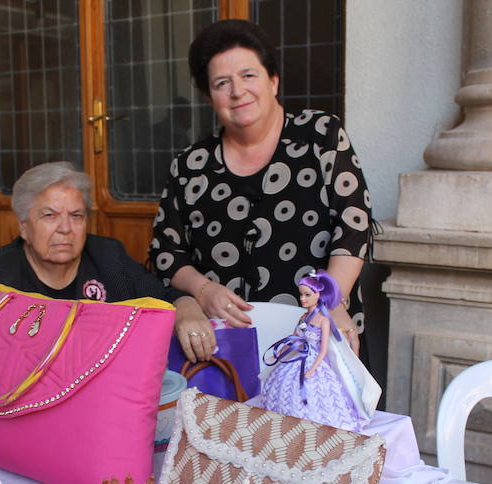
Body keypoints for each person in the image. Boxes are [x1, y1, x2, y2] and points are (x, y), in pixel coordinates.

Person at [149, 19, 374, 364]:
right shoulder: (191, 165)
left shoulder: (320, 136)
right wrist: (202, 290)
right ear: (210, 97)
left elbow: (353, 227)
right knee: (236, 420)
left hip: (315, 336)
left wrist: (329, 303)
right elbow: (166, 254)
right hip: (226, 348)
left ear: (273, 80)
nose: (237, 91)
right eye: (222, 83)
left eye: (248, 75)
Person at [0, 162, 208, 360]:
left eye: (76, 215)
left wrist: (186, 307)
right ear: (24, 227)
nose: (65, 228)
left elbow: (161, 296)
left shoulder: (108, 256)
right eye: (49, 215)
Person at [256, 270, 373, 432]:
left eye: (307, 295)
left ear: (318, 295)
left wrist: (312, 369)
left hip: (315, 360)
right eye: (301, 295)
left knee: (319, 392)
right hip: (298, 354)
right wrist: (279, 354)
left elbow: (323, 349)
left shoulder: (323, 320)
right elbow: (294, 337)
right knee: (284, 383)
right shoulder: (303, 317)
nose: (303, 299)